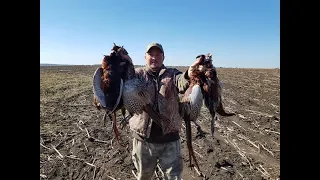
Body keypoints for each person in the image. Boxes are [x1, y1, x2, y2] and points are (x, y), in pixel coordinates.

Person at [121, 42, 205, 180]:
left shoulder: (172, 74)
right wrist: (126, 64)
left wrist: (189, 74)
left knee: (174, 177)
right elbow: (122, 87)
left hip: (170, 140)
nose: (154, 57)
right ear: (145, 57)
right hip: (143, 140)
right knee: (143, 176)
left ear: (163, 57)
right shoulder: (137, 75)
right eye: (151, 54)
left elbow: (182, 82)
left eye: (158, 54)